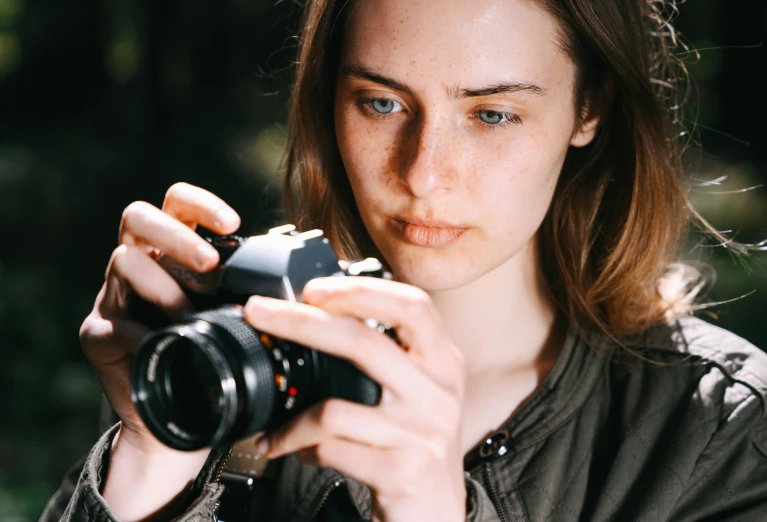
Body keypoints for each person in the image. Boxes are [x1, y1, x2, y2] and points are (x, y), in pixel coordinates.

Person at [41, 0, 767, 521]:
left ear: (589, 110)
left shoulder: (723, 436)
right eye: (381, 103)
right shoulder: (227, 368)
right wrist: (151, 462)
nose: (422, 174)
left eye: (490, 114)